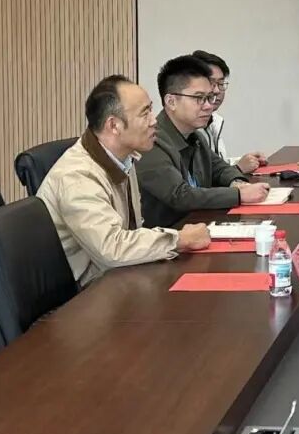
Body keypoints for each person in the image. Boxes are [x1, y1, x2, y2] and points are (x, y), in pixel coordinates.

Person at [37, 75, 211, 287]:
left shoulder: (125, 158)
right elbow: (111, 249)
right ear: (114, 125)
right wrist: (179, 239)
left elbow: (131, 232)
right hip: (84, 294)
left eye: (151, 110)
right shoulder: (77, 176)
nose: (154, 121)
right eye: (144, 113)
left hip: (117, 278)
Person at [137, 55, 271, 228]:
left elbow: (220, 169)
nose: (208, 106)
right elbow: (181, 195)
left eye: (209, 98)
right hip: (169, 237)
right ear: (171, 101)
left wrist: (237, 183)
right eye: (199, 98)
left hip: (199, 227)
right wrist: (238, 195)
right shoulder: (150, 141)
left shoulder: (196, 136)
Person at [191, 49, 267, 174]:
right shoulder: (189, 125)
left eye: (221, 83)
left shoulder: (214, 121)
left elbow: (216, 165)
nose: (217, 90)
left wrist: (244, 161)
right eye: (211, 83)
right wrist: (238, 168)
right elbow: (198, 179)